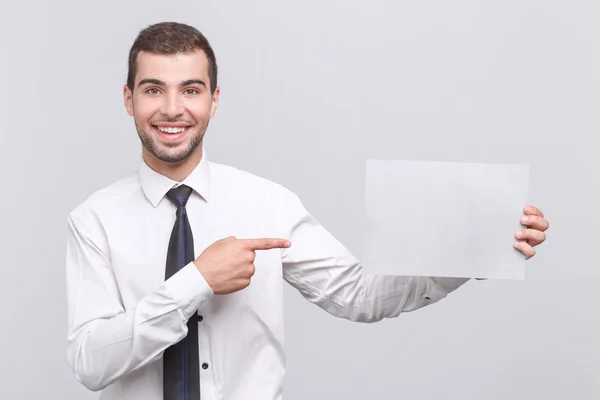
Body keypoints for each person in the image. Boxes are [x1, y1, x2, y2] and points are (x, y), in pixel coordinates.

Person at [64, 21, 550, 400]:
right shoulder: (94, 221)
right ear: (129, 99)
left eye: (191, 90)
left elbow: (359, 295)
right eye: (153, 89)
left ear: (215, 101)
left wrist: (473, 248)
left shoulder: (267, 203)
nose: (173, 108)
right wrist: (197, 281)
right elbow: (90, 363)